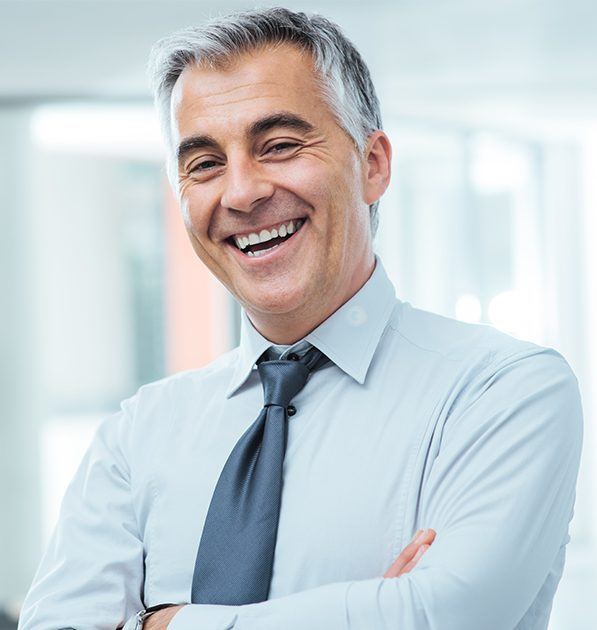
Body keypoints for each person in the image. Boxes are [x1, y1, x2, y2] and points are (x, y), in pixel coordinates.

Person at [18, 7, 583, 630]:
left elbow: (444, 616)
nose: (240, 193)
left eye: (280, 146)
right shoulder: (137, 437)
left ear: (373, 165)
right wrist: (368, 612)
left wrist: (160, 623)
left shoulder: (504, 391)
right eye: (204, 163)